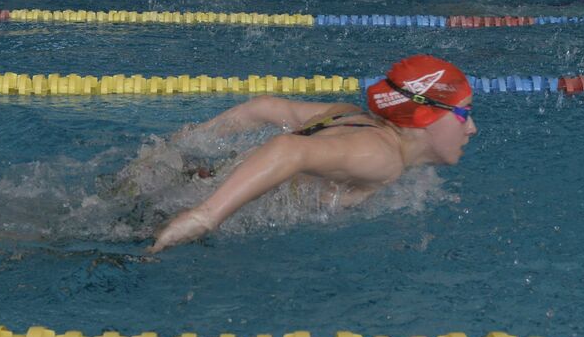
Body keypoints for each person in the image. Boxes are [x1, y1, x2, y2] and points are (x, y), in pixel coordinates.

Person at [149, 55, 477, 252]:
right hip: (185, 208)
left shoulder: (350, 114)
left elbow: (264, 107)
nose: (471, 127)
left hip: (194, 180)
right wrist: (204, 217)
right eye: (464, 114)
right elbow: (288, 148)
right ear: (426, 115)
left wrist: (189, 141)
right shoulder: (382, 158)